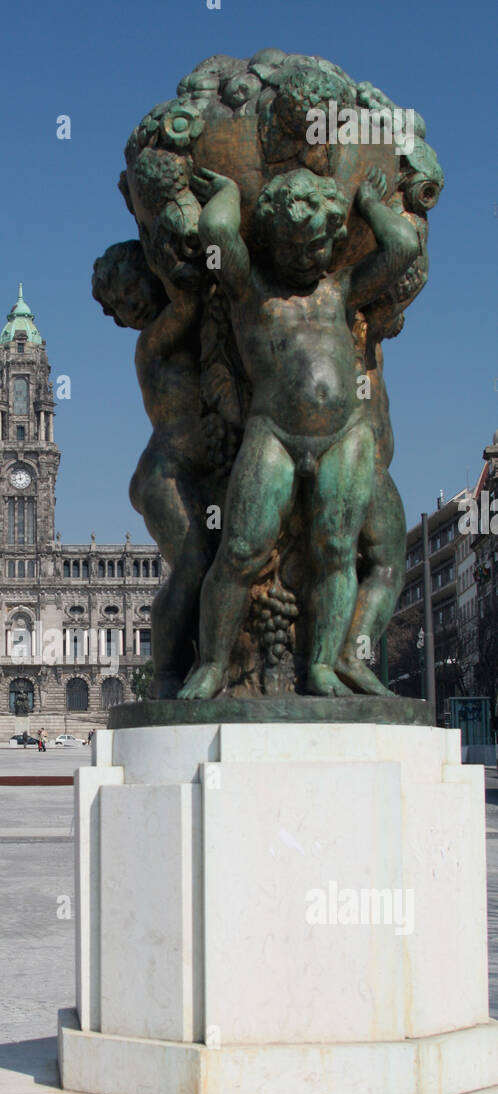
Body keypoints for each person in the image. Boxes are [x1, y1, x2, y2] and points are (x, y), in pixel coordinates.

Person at [179, 164, 419, 700]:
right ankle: (214, 664)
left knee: (336, 549)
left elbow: (402, 247)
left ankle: (326, 665)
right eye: (293, 246)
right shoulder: (251, 289)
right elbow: (217, 234)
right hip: (276, 433)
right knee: (241, 549)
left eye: (317, 246)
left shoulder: (341, 288)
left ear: (333, 241)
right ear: (269, 241)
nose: (307, 257)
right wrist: (227, 193)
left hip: (345, 434)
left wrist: (375, 207)